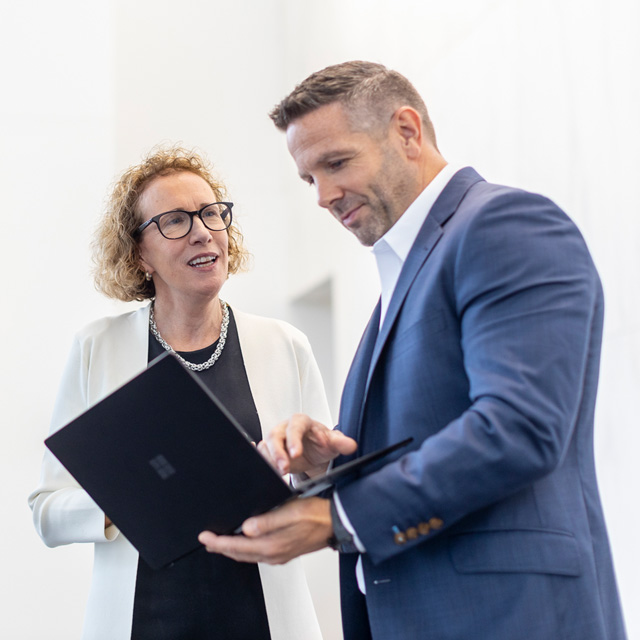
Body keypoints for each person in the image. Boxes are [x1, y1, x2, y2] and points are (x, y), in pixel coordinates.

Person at [198, 61, 628, 639]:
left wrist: (338, 518)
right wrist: (331, 464)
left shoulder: (505, 226)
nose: (324, 196)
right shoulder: (401, 279)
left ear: (407, 131)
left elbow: (520, 427)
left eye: (336, 163)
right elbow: (435, 432)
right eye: (309, 180)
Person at [28, 145, 331, 640]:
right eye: (175, 220)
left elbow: (325, 485)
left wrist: (305, 466)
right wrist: (131, 499)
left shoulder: (284, 344)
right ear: (139, 254)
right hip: (143, 622)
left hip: (264, 619)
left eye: (211, 213)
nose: (203, 230)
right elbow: (47, 510)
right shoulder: (96, 347)